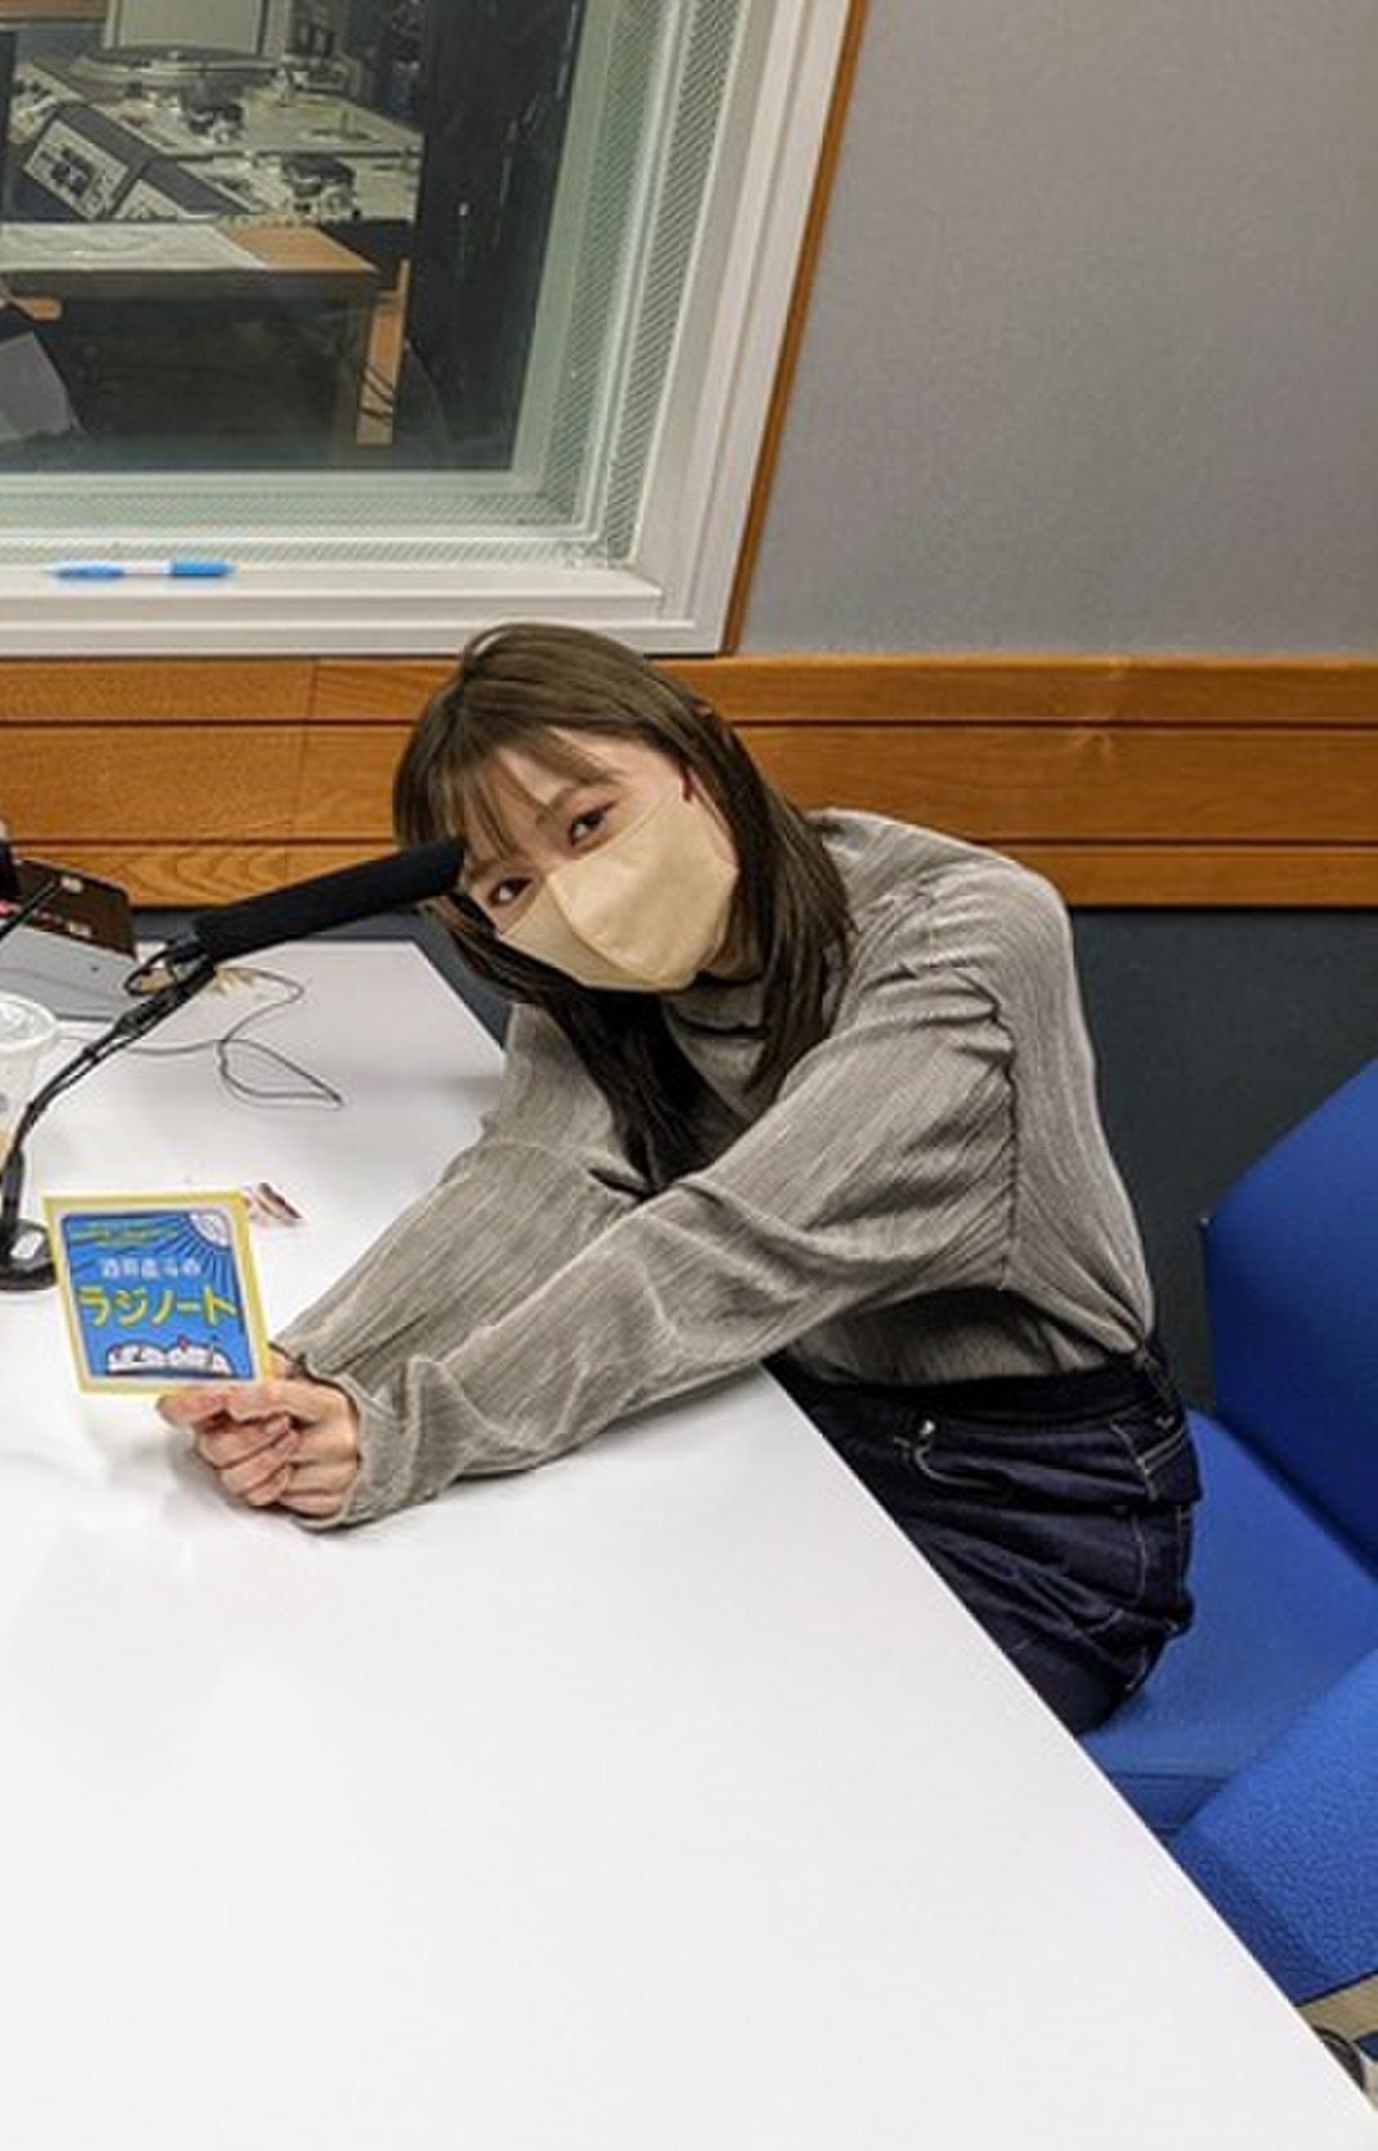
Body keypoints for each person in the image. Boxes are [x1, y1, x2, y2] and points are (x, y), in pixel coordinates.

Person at [154, 622, 1195, 1731]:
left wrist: (411, 1431)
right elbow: (538, 1177)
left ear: (702, 753)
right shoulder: (584, 974)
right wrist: (305, 1371)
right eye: (510, 885)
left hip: (1029, 1506)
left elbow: (729, 1246)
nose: (570, 897)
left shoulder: (963, 940)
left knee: (664, 1734)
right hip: (795, 1418)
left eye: (588, 822)